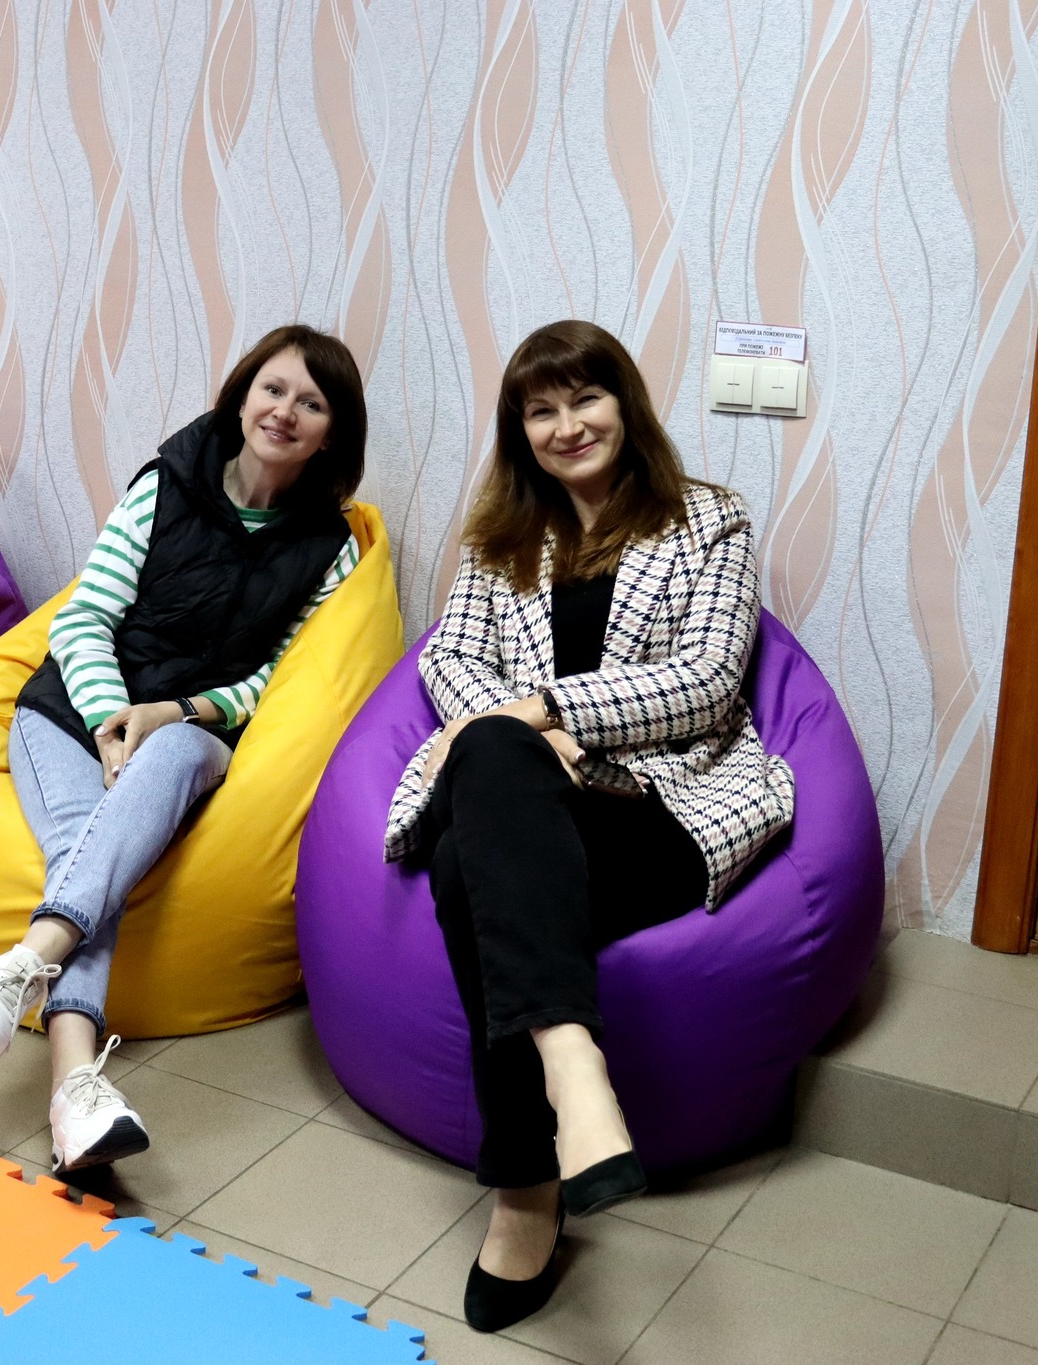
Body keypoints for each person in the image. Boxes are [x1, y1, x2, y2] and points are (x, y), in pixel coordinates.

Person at [385, 319, 794, 1331]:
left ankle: (524, 1190)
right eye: (541, 410)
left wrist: (544, 712)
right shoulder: (498, 539)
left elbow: (708, 680)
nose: (566, 425)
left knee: (466, 867)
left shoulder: (710, 520)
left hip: (658, 805)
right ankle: (573, 1075)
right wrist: (515, 735)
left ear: (625, 405)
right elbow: (448, 659)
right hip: (528, 796)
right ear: (518, 431)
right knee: (484, 800)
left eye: (585, 399)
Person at [0, 325, 367, 1174]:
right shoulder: (164, 485)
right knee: (88, 850)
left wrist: (171, 712)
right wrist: (111, 721)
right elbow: (83, 618)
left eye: (312, 403)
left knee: (167, 756)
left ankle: (20, 968)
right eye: (273, 389)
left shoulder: (331, 547)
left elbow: (275, 680)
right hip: (69, 713)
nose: (285, 412)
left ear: (332, 434)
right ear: (242, 396)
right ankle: (74, 1091)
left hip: (189, 730)